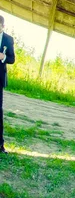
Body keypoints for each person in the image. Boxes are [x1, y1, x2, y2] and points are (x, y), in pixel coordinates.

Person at [0, 15, 16, 154]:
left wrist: (3, 57)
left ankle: (0, 144)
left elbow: (12, 59)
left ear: (2, 26)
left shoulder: (8, 40)